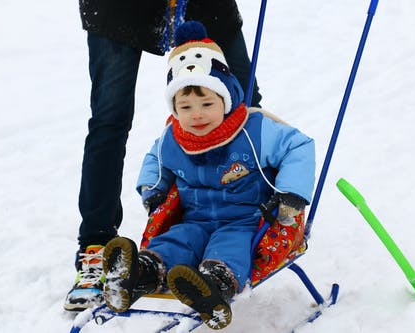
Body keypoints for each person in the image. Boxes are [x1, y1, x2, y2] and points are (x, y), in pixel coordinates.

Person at [100, 21, 315, 330]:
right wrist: (153, 187)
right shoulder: (173, 137)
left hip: (244, 220)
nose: (196, 114)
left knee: (229, 248)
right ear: (174, 107)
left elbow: (299, 146)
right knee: (175, 241)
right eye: (185, 106)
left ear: (226, 98)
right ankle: (140, 273)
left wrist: (291, 192)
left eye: (206, 103)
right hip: (194, 219)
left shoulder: (254, 129)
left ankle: (214, 286)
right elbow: (156, 160)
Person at [64, 1, 261, 311]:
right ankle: (96, 246)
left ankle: (253, 222)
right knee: (109, 119)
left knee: (243, 104)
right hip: (117, 11)